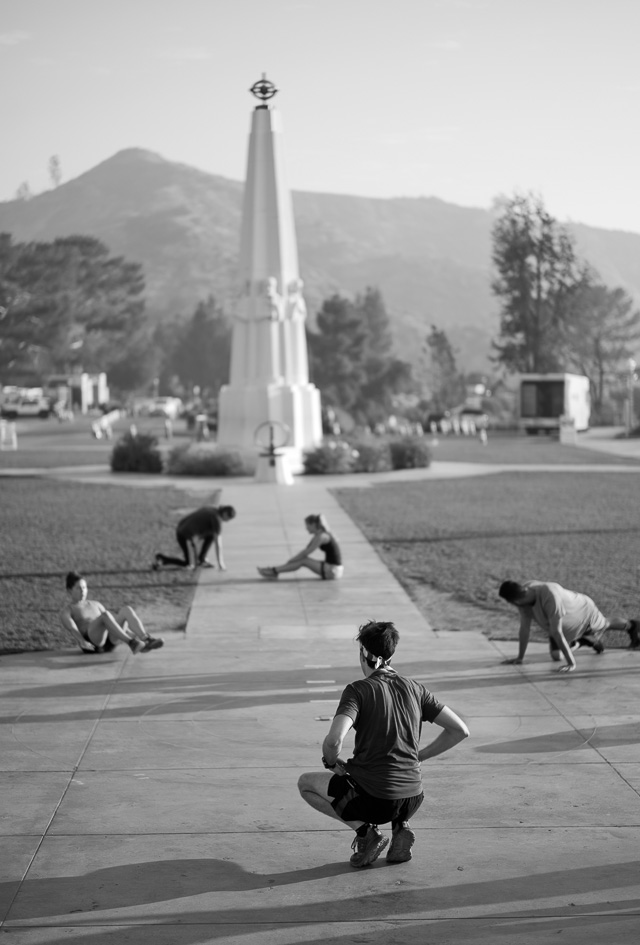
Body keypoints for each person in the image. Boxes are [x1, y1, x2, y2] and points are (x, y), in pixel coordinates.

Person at [297, 620, 469, 868]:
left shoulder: (358, 691)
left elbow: (334, 740)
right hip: (412, 798)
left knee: (306, 784)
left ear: (364, 654)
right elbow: (460, 730)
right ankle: (401, 827)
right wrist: (419, 756)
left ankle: (367, 833)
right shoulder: (415, 688)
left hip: (375, 801)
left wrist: (331, 762)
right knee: (390, 784)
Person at [498, 579, 640, 673]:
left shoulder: (549, 594)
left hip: (584, 613)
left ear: (519, 597)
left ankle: (632, 625)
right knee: (556, 656)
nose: (514, 606)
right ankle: (584, 640)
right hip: (564, 625)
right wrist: (520, 658)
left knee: (604, 623)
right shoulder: (522, 600)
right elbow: (524, 629)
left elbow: (557, 632)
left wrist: (572, 663)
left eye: (513, 602)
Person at [61, 572, 164, 655]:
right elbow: (72, 628)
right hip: (92, 644)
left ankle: (146, 639)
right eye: (78, 588)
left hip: (110, 642)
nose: (82, 591)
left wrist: (132, 634)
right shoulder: (68, 610)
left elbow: (112, 623)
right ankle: (131, 643)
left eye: (84, 587)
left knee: (126, 610)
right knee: (105, 615)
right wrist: (82, 641)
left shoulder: (96, 604)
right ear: (69, 590)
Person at [258, 513, 343, 581]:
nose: (306, 528)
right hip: (332, 569)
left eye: (307, 525)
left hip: (333, 571)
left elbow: (306, 552)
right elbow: (305, 551)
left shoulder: (322, 536)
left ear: (313, 524)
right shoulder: (319, 535)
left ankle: (273, 571)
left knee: (303, 561)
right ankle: (274, 571)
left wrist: (291, 560)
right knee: (302, 560)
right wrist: (293, 560)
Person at [153, 505, 236, 570]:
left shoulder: (212, 509)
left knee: (212, 534)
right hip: (185, 536)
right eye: (228, 518)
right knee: (190, 565)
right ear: (225, 513)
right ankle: (163, 560)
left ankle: (202, 559)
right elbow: (218, 544)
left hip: (182, 529)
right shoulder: (216, 519)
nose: (228, 521)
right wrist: (221, 563)